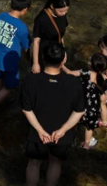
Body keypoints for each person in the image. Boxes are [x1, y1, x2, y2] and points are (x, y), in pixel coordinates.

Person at [20, 43, 85, 186]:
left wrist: (40, 130)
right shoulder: (74, 83)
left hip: (37, 133)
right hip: (61, 134)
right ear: (64, 60)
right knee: (55, 162)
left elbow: (27, 109)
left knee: (34, 163)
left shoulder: (30, 80)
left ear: (43, 58)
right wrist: (63, 130)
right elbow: (79, 111)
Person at [0, 0, 32, 122]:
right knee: (10, 86)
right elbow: (26, 46)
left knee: (1, 78)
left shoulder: (1, 16)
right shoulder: (22, 27)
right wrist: (29, 59)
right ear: (25, 9)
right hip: (10, 61)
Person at [77, 54, 107, 150]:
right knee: (89, 127)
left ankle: (75, 139)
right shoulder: (103, 80)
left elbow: (70, 73)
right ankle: (87, 144)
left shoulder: (85, 73)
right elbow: (102, 99)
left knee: (79, 122)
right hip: (92, 109)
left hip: (80, 104)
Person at [30, 0, 71, 75]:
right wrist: (35, 63)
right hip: (45, 53)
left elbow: (61, 35)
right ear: (52, 6)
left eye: (66, 10)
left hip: (57, 51)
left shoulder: (62, 15)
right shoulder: (41, 19)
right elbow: (36, 41)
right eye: (62, 11)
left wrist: (63, 51)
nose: (64, 13)